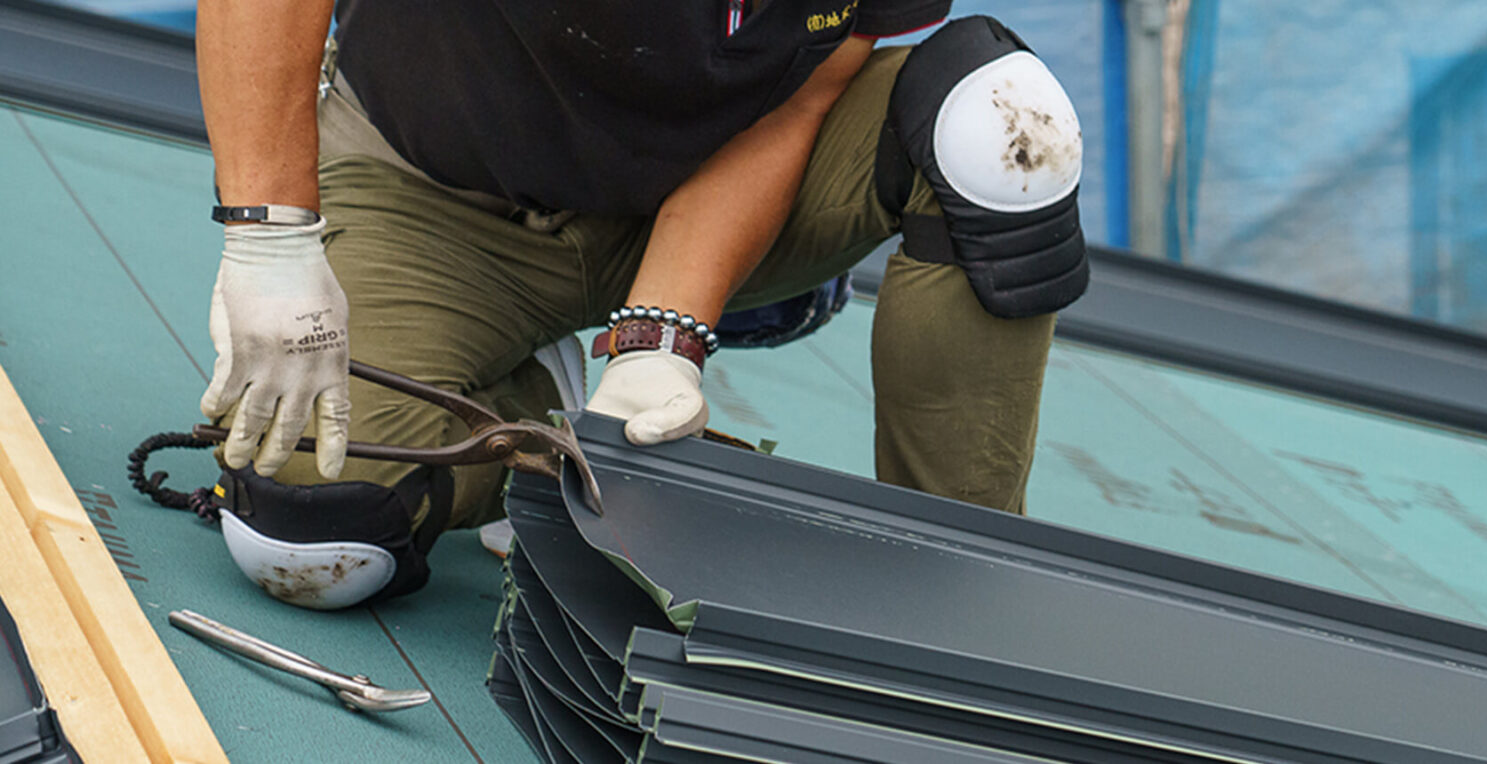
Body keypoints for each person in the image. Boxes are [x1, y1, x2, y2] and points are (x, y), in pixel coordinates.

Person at [192, 0, 1089, 609]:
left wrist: (664, 332)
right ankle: (539, 420)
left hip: (687, 188)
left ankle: (955, 598)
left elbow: (805, 96)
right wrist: (272, 236)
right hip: (435, 186)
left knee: (1003, 120)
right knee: (313, 542)